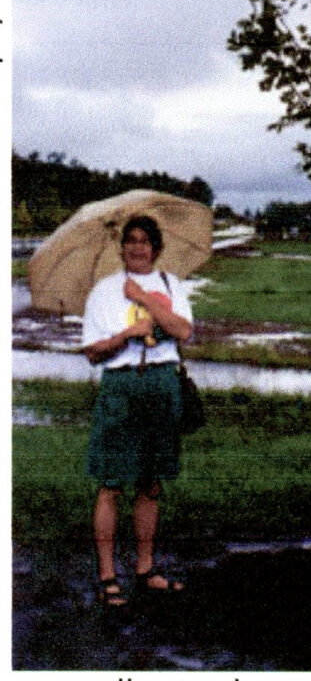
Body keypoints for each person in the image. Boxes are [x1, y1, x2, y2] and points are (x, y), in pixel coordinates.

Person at [82, 215, 193, 609]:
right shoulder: (104, 291)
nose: (137, 247)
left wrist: (145, 299)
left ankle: (145, 570)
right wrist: (126, 335)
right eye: (130, 240)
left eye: (145, 241)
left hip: (161, 384)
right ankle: (108, 575)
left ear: (157, 248)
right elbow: (93, 353)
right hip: (121, 387)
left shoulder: (170, 285)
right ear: (122, 246)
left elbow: (181, 331)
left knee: (150, 484)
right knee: (111, 484)